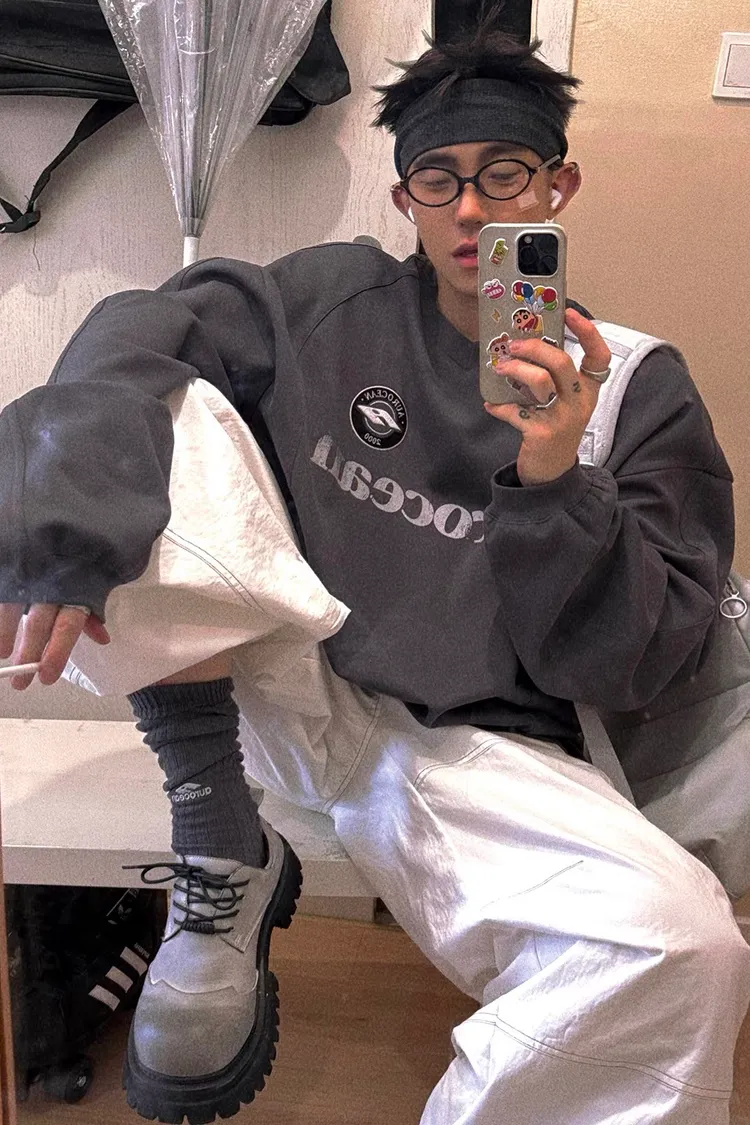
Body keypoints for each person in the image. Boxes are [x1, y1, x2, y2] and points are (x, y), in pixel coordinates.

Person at [1, 19, 750, 1125]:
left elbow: (629, 664)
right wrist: (60, 531)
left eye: (506, 173)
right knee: (167, 388)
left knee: (684, 947)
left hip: (474, 748)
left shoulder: (633, 388)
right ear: (405, 201)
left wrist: (552, 479)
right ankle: (222, 844)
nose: (473, 209)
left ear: (560, 185)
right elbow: (135, 332)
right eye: (440, 179)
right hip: (284, 673)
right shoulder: (331, 300)